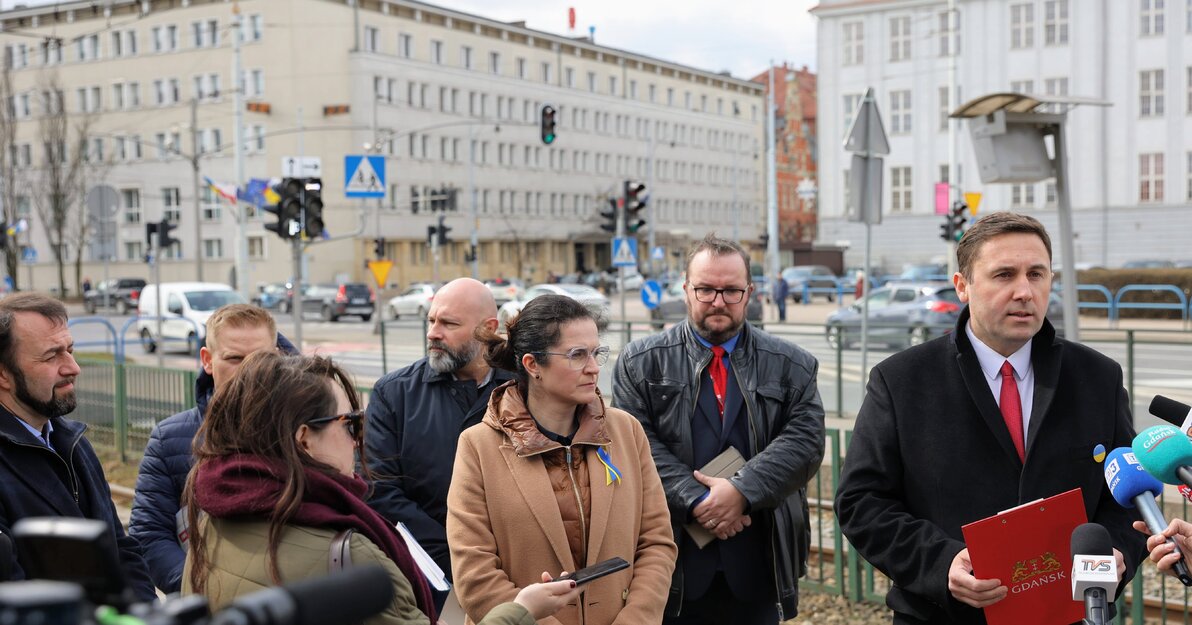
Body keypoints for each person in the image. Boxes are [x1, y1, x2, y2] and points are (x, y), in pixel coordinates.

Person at [834, 212, 1146, 625]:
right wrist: (942, 563)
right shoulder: (901, 381)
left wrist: (1119, 553)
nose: (1025, 291)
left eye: (1037, 274)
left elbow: (1132, 496)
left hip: (1073, 615)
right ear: (963, 285)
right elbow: (861, 501)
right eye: (1004, 275)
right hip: (944, 616)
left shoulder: (1098, 377)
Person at [183, 351, 579, 625]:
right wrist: (523, 609)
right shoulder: (349, 552)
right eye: (350, 424)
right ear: (304, 440)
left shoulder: (213, 516)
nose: (359, 439)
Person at [612, 234, 825, 625]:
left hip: (760, 559)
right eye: (706, 289)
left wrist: (742, 491)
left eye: (731, 291)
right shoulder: (639, 363)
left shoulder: (792, 364)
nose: (718, 302)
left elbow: (806, 443)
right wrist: (699, 502)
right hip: (671, 561)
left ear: (750, 292)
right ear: (685, 288)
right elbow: (633, 444)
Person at [447, 294, 677, 625]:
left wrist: (635, 620)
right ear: (532, 365)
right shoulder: (477, 447)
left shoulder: (626, 432)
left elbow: (656, 543)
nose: (594, 367)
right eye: (577, 355)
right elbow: (475, 575)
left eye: (597, 353)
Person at [365, 277, 513, 606]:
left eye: (448, 323)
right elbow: (380, 490)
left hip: (514, 577)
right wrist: (455, 556)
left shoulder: (524, 388)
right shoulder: (394, 394)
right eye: (431, 320)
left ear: (488, 328)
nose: (432, 332)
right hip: (428, 580)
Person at [130, 304, 296, 593]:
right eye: (234, 358)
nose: (248, 370)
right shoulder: (168, 439)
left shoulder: (307, 431)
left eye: (261, 358)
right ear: (207, 360)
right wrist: (205, 589)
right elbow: (149, 535)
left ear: (279, 357)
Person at [0, 293, 155, 600]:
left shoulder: (74, 443)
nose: (72, 367)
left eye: (69, 350)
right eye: (51, 356)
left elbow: (122, 549)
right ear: (3, 374)